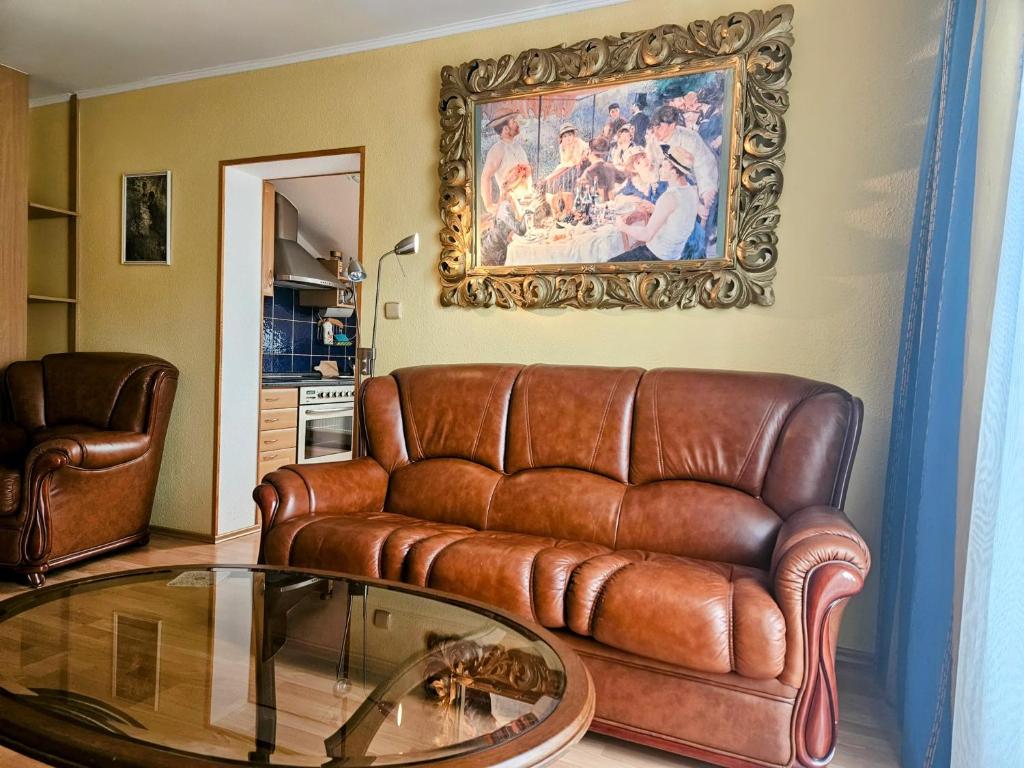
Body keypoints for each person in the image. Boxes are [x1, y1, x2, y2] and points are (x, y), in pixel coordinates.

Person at [610, 148, 699, 262]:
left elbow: (646, 235)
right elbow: (675, 217)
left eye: (663, 166)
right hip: (674, 254)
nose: (659, 169)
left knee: (610, 264)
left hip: (657, 255)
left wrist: (622, 226)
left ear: (673, 171)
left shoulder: (669, 196)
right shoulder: (690, 191)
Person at [645, 105, 718, 219]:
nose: (655, 133)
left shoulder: (690, 138)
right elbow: (653, 167)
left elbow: (704, 165)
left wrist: (706, 191)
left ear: (672, 125)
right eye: (654, 128)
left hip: (693, 185)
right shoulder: (653, 142)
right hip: (667, 186)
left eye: (659, 128)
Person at [480, 163, 532, 266]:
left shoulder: (509, 200)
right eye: (525, 181)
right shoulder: (505, 205)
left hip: (499, 249)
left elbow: (512, 233)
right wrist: (525, 212)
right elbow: (521, 230)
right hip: (492, 255)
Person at [480, 111, 530, 213]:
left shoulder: (518, 147)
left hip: (527, 202)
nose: (517, 124)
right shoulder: (497, 149)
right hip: (509, 205)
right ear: (506, 129)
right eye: (513, 122)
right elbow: (485, 177)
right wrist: (489, 206)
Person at [542, 122, 589, 213]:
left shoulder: (579, 143)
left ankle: (573, 205)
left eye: (570, 135)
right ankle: (558, 205)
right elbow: (565, 163)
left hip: (580, 167)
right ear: (562, 138)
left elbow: (577, 160)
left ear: (574, 135)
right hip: (568, 167)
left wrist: (584, 155)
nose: (568, 138)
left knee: (563, 178)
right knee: (553, 180)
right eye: (565, 136)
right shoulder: (562, 147)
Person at [579, 136, 625, 202]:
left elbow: (582, 196)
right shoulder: (611, 167)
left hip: (597, 208)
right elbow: (623, 179)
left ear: (589, 151)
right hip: (611, 207)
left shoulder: (588, 171)